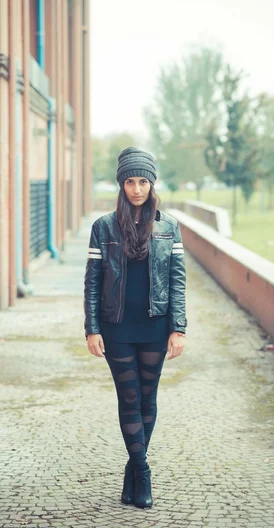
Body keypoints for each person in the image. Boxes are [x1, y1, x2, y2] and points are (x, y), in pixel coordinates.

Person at [83, 147, 187, 509]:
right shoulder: (104, 227)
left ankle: (132, 469)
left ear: (152, 183)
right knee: (128, 398)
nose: (137, 188)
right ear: (121, 184)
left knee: (148, 397)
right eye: (130, 181)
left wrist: (179, 327)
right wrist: (91, 328)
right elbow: (93, 281)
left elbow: (177, 282)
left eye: (143, 181)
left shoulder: (169, 226)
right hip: (117, 327)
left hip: (156, 327)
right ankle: (142, 471)